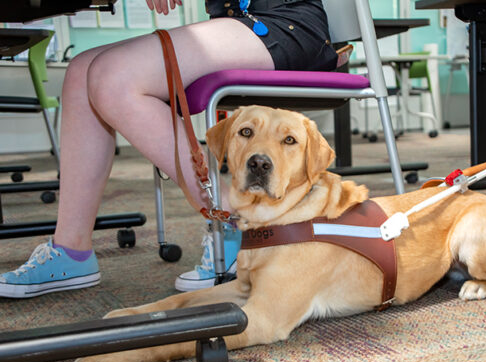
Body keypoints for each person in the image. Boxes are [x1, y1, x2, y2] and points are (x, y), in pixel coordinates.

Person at [0, 0, 338, 298]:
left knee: (112, 76)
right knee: (81, 70)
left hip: (285, 22)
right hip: (240, 21)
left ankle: (237, 221)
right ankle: (71, 250)